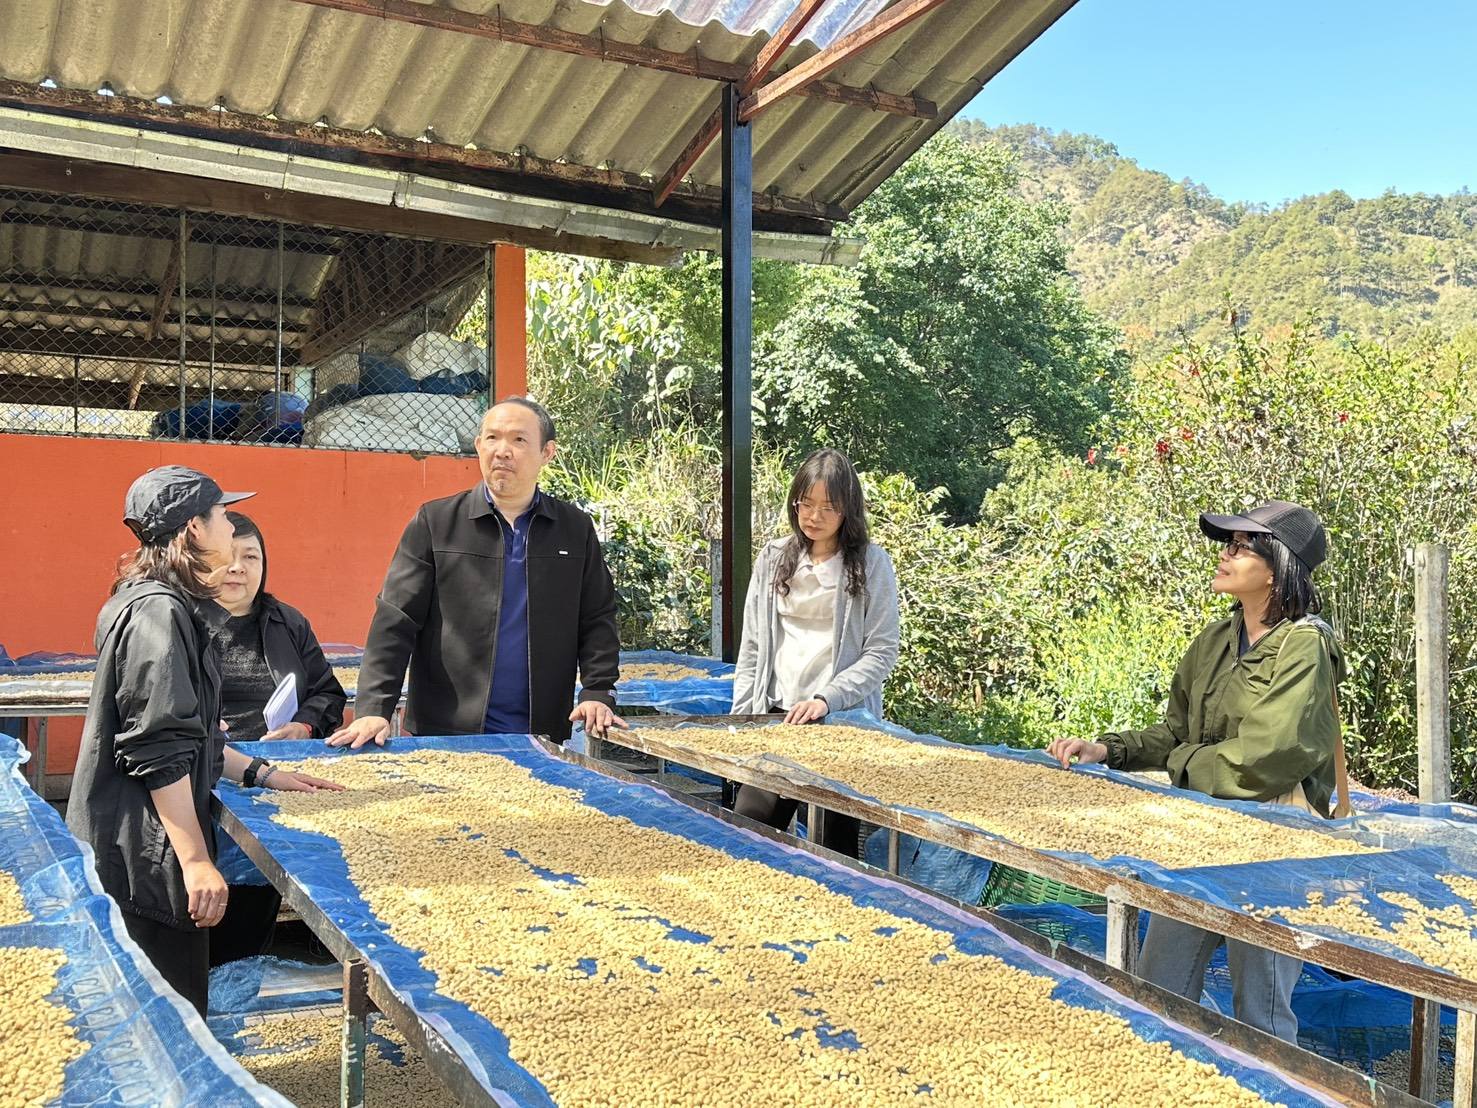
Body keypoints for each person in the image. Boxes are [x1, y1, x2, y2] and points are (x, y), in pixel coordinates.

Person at [1047, 499, 1344, 1042]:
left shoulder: (1305, 646)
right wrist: (1108, 750)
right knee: (1160, 981)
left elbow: (1267, 758)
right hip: (1204, 826)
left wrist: (1180, 762)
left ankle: (1270, 1084)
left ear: (1277, 567)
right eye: (1227, 544)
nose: (1225, 554)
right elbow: (1177, 732)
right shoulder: (1213, 640)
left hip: (1275, 838)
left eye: (1241, 546)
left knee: (1261, 1005)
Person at [67, 466, 344, 1015]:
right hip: (144, 851)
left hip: (140, 841)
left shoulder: (151, 600)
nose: (231, 529)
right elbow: (161, 749)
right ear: (194, 528)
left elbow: (193, 734)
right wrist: (195, 860)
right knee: (164, 1015)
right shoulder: (160, 614)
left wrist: (262, 772)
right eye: (222, 515)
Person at [329, 397, 624, 749]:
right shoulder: (436, 522)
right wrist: (373, 708)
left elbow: (596, 616)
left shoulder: (573, 529)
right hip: (446, 730)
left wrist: (597, 691)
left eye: (518, 440)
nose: (502, 451)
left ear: (547, 452)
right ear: (478, 446)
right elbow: (396, 619)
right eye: (492, 438)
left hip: (543, 729)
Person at [730, 448, 900, 857]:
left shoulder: (871, 564)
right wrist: (740, 720)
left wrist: (826, 699)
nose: (814, 516)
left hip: (840, 722)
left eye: (828, 507)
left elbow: (881, 651)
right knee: (747, 830)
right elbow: (753, 647)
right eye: (806, 504)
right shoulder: (774, 557)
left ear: (848, 510)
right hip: (776, 716)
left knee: (833, 848)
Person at [210, 511, 348, 966]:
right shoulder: (183, 622)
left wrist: (303, 725)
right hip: (205, 781)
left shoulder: (287, 622)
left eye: (251, 557)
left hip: (273, 785)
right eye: (228, 556)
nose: (238, 568)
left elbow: (327, 692)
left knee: (251, 911)